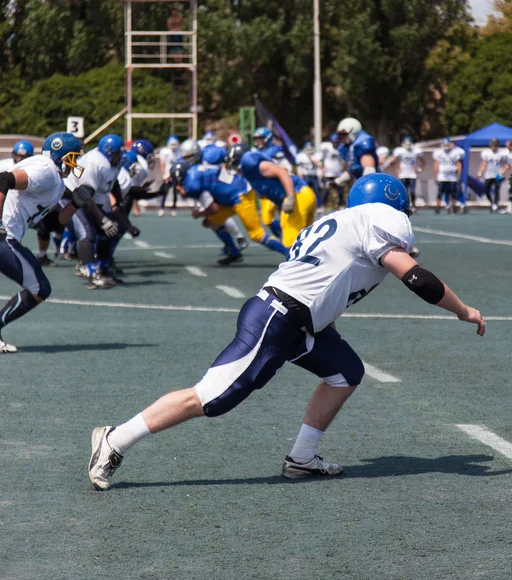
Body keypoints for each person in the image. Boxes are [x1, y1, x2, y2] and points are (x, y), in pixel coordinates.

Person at [88, 173, 485, 490]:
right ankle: (115, 439)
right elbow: (417, 279)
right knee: (211, 399)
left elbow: (328, 281)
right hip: (278, 318)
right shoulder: (379, 221)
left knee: (345, 371)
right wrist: (462, 309)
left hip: (297, 319)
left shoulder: (335, 221)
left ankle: (302, 458)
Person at [0, 132, 90, 352]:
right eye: (72, 157)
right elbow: (4, 179)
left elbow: (53, 222)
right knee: (39, 287)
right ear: (60, 156)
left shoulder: (57, 183)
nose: (75, 162)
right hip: (4, 236)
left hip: (7, 236)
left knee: (39, 287)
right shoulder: (46, 169)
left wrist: (75, 205)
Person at [65, 134, 126, 289]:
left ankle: (102, 270)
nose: (121, 155)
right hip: (72, 197)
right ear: (108, 152)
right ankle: (90, 272)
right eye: (118, 152)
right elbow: (84, 196)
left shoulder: (112, 163)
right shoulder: (95, 162)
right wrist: (102, 219)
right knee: (87, 234)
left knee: (109, 232)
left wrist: (118, 201)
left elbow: (113, 180)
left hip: (90, 199)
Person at [240, 150, 316, 249]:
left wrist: (290, 197)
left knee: (291, 244)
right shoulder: (252, 175)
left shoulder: (256, 164)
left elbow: (282, 172)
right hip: (304, 194)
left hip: (298, 195)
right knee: (305, 241)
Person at [389, 137, 425, 212]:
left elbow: (423, 161)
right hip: (403, 174)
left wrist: (419, 168)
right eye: (406, 144)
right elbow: (392, 162)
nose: (408, 145)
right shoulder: (400, 151)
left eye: (409, 144)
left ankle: (413, 206)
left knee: (412, 191)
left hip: (412, 174)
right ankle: (403, 206)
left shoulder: (415, 151)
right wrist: (397, 169)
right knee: (403, 191)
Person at [477, 138, 508, 213]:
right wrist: (480, 172)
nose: (494, 146)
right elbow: (484, 163)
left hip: (498, 175)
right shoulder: (486, 153)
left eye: (495, 145)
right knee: (486, 189)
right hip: (489, 174)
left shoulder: (502, 153)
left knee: (497, 190)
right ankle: (492, 203)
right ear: (490, 145)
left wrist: (503, 172)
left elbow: (506, 164)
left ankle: (496, 204)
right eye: (493, 145)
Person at [433, 138, 462, 214]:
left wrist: (459, 175)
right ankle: (437, 207)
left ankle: (453, 206)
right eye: (444, 145)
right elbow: (436, 165)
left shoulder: (455, 152)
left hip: (452, 176)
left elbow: (458, 164)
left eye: (447, 145)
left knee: (453, 193)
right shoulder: (439, 153)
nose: (446, 146)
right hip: (442, 176)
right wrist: (436, 176)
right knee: (440, 193)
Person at [159, 136, 180, 217]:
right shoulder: (165, 152)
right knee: (165, 192)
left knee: (175, 193)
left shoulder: (179, 151)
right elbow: (162, 164)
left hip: (176, 175)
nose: (174, 146)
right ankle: (161, 208)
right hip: (167, 175)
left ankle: (174, 208)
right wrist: (164, 175)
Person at [296, 142, 321, 209]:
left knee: (316, 192)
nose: (309, 151)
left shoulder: (316, 155)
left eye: (310, 149)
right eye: (307, 149)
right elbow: (299, 166)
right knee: (304, 191)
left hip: (314, 175)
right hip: (305, 175)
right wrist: (300, 174)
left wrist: (311, 159)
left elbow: (319, 165)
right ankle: (304, 206)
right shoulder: (301, 156)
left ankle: (318, 207)